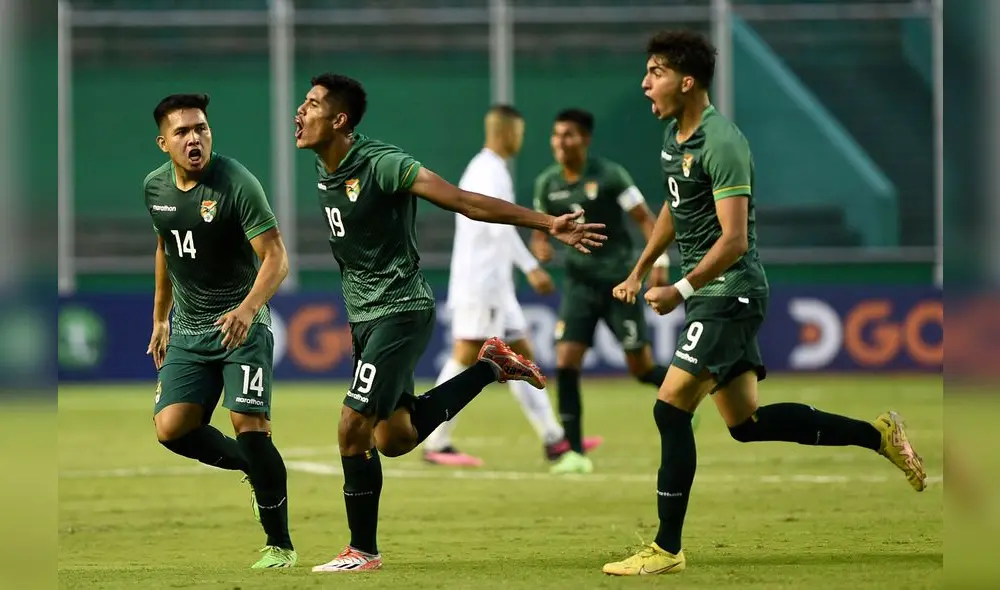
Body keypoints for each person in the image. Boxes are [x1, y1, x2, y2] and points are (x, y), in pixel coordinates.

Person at [601, 30, 927, 577]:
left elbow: (733, 240)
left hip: (731, 292)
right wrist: (641, 266)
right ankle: (879, 435)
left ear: (687, 81)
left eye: (654, 72)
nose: (644, 82)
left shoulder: (723, 142)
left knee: (669, 407)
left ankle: (666, 548)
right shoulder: (673, 137)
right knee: (745, 422)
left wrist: (679, 289)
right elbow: (675, 204)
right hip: (712, 293)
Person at [293, 73, 607, 573]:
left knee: (352, 427)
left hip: (399, 309)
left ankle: (362, 551)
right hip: (364, 316)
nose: (299, 112)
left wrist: (548, 224)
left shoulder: (382, 163)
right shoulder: (326, 168)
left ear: (339, 120)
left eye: (310, 105)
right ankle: (490, 368)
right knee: (392, 438)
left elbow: (463, 201)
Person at [144, 93, 297, 569]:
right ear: (163, 142)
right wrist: (161, 315)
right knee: (171, 429)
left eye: (202, 129)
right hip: (190, 326)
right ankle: (256, 473)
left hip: (239, 324)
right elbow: (166, 248)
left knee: (248, 426)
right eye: (184, 132)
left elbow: (277, 258)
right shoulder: (154, 189)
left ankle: (280, 546)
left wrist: (249, 309)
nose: (195, 138)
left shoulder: (236, 183)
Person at [424, 104, 601, 467]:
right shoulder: (490, 172)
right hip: (482, 283)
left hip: (496, 286)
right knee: (465, 355)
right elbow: (496, 227)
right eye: (519, 132)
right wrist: (532, 267)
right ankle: (434, 440)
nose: (521, 139)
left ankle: (556, 440)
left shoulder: (488, 169)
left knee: (522, 359)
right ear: (506, 133)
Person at [531, 108, 671, 475]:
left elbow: (644, 218)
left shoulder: (610, 176)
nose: (561, 142)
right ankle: (574, 452)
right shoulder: (547, 183)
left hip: (619, 282)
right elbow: (540, 228)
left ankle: (685, 393)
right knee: (566, 362)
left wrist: (659, 264)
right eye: (556, 135)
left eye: (569, 135)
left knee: (639, 368)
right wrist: (541, 247)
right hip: (578, 284)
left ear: (585, 139)